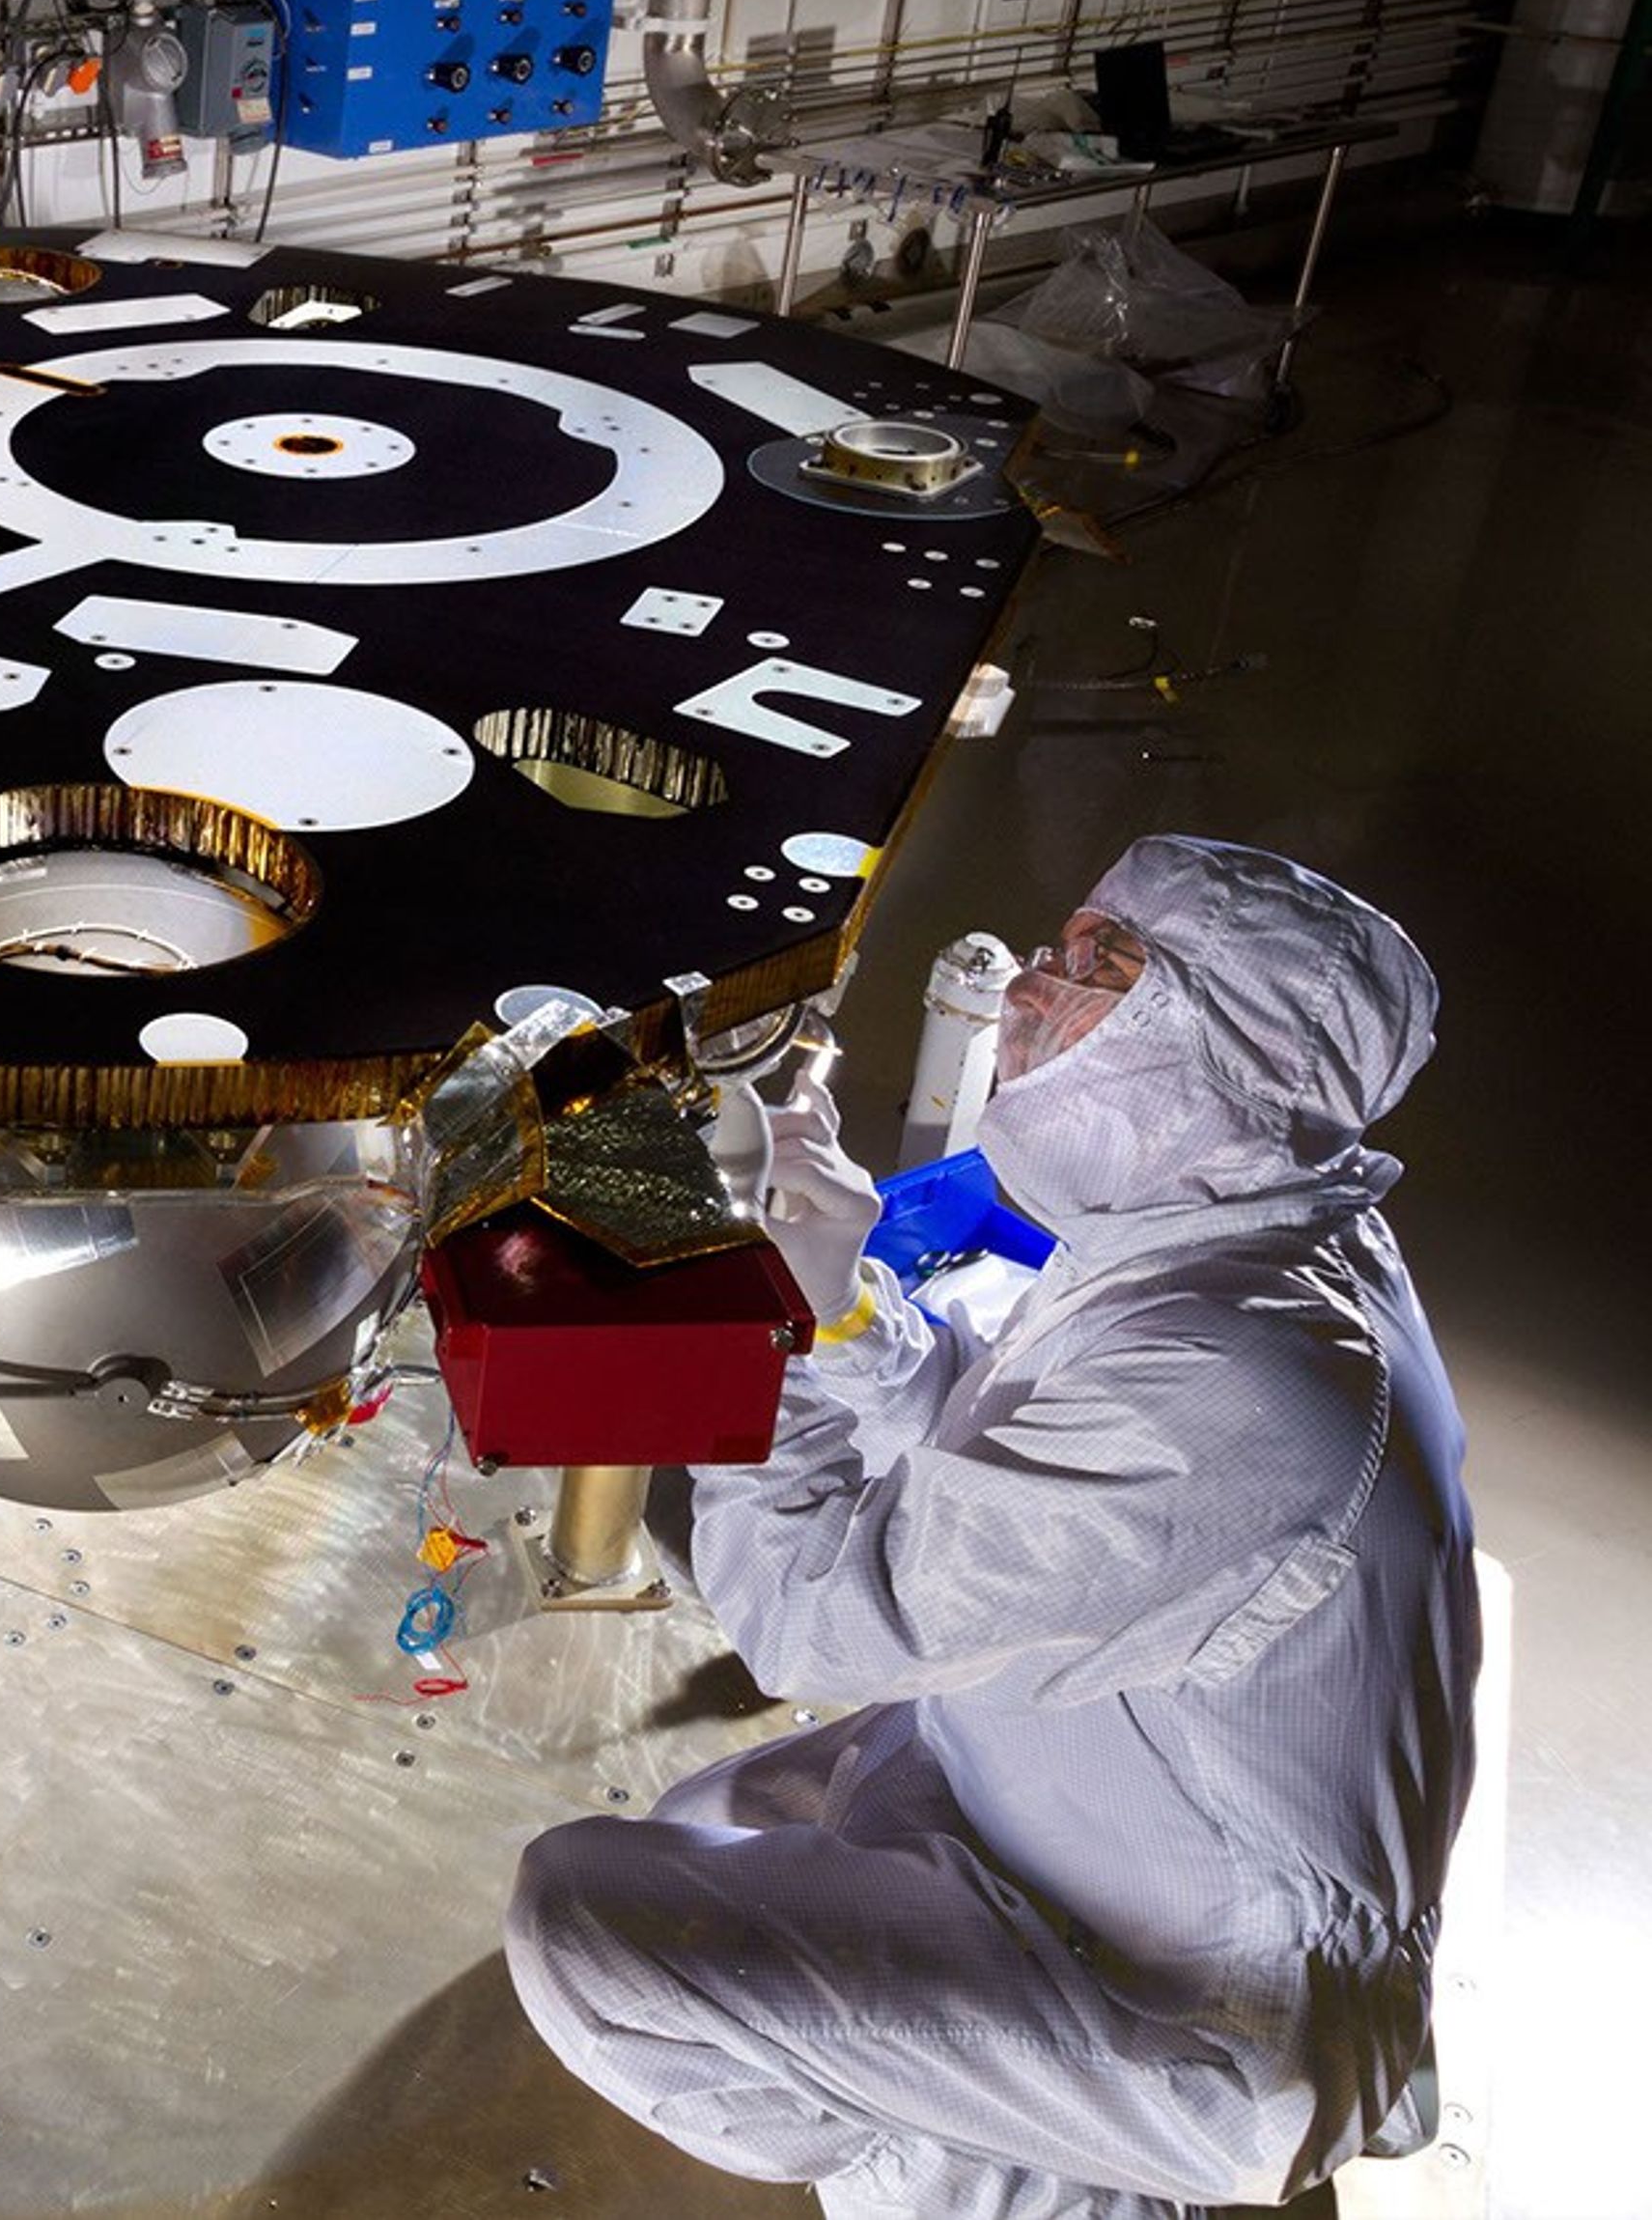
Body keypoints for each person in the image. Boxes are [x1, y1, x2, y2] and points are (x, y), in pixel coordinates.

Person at [504, 836, 1476, 2220]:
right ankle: (991, 2089)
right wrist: (844, 1314)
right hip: (1078, 1808)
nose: (1030, 987)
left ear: (1235, 1055)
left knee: (590, 1931)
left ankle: (1076, 2181)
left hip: (1196, 1990)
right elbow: (1003, 1436)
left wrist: (745, 1336)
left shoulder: (1242, 1378)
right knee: (707, 1827)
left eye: (1104, 971)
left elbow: (808, 1622)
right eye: (1064, 939)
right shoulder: (1231, 1224)